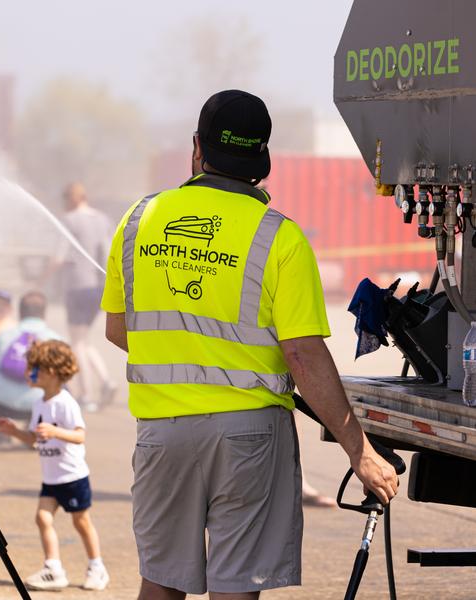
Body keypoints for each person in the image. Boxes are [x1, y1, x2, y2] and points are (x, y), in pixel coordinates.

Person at [101, 89, 399, 599]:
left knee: (161, 582)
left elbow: (118, 329)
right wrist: (361, 451)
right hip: (249, 439)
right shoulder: (279, 237)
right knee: (236, 587)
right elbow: (302, 356)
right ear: (263, 160)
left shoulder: (138, 220)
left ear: (198, 147)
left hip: (161, 435)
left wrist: (191, 359)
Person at [0, 340, 109, 592]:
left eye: (33, 367)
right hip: (51, 477)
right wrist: (14, 431)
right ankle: (53, 568)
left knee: (81, 522)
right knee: (42, 518)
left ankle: (97, 567)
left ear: (50, 372)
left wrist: (56, 431)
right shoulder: (39, 403)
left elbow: (80, 435)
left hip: (73, 476)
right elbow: (34, 440)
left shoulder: (65, 402)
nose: (28, 372)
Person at [45, 182, 116, 411]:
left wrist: (39, 280)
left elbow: (58, 257)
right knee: (85, 341)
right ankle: (106, 381)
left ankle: (86, 395)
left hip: (77, 285)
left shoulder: (69, 220)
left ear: (72, 198)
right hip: (98, 287)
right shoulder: (102, 219)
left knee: (77, 341)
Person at [0, 291, 61, 444]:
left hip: (2, 404)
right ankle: (38, 428)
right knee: (63, 382)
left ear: (20, 312)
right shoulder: (55, 339)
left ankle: (3, 429)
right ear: (44, 313)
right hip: (41, 404)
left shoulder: (3, 336)